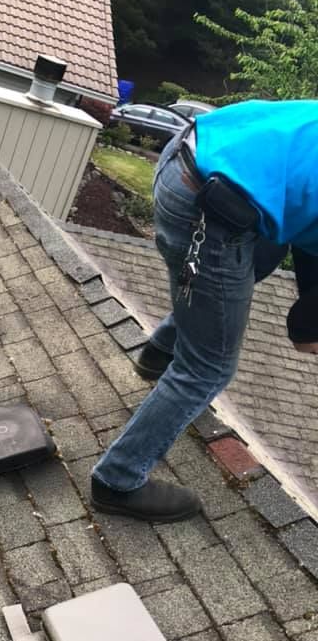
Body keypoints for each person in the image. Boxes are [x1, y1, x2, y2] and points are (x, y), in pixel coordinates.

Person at [91, 99, 318, 523]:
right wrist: (308, 329)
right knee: (209, 367)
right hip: (209, 205)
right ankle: (117, 480)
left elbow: (309, 235)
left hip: (188, 153)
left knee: (256, 262)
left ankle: (160, 351)